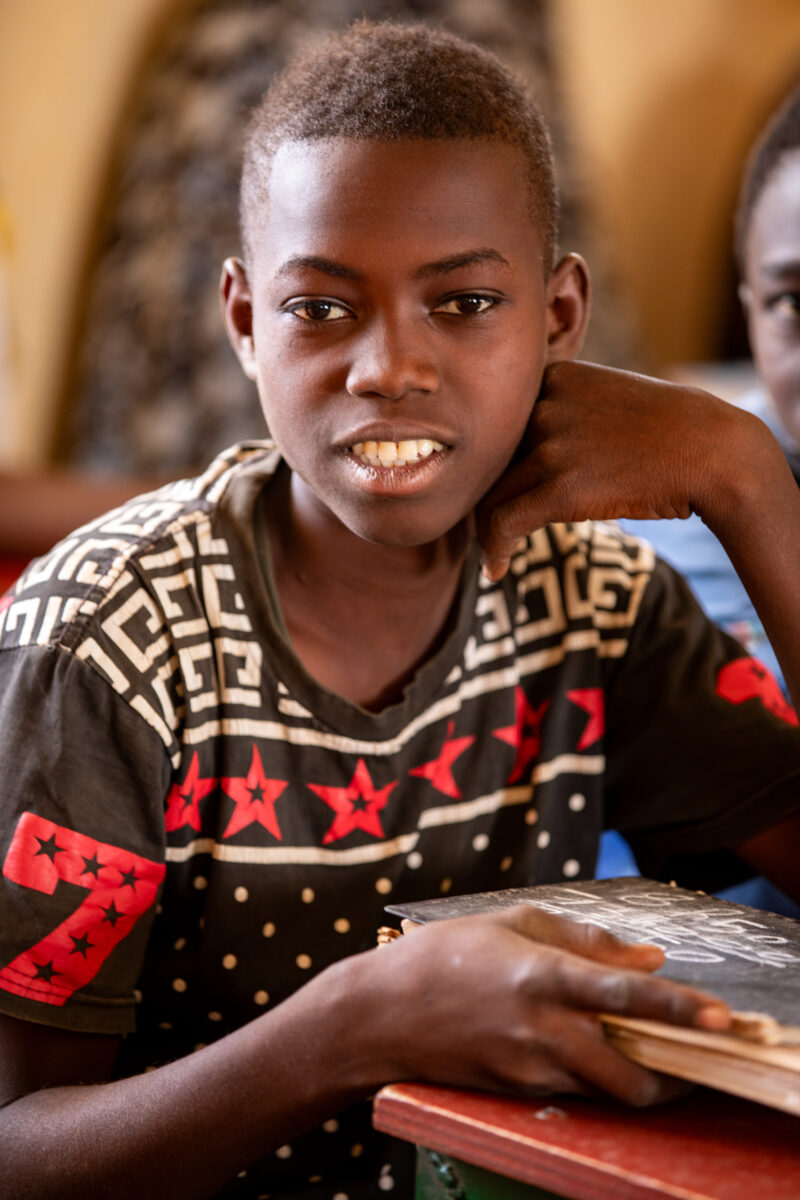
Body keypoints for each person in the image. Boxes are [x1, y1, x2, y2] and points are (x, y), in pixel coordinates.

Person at [0, 22, 799, 1200]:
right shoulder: (112, 644)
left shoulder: (597, 606)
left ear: (559, 319)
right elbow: (21, 1152)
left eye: (465, 302)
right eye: (319, 309)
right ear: (241, 321)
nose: (387, 367)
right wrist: (354, 1025)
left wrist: (747, 489)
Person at [617, 80, 800, 914]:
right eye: (795, 302)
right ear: (750, 312)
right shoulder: (647, 529)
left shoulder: (727, 466)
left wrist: (747, 484)